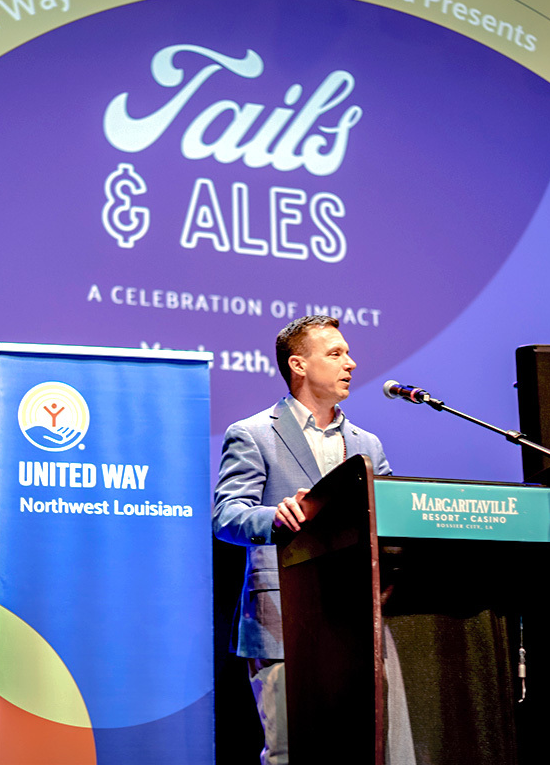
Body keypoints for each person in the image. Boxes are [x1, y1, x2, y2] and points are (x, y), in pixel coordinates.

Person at [213, 316, 391, 764]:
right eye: (335, 354)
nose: (351, 363)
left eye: (347, 353)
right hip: (282, 619)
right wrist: (275, 516)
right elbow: (227, 515)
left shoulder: (367, 444)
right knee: (291, 754)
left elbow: (387, 518)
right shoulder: (253, 433)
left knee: (359, 749)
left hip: (357, 617)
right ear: (299, 364)